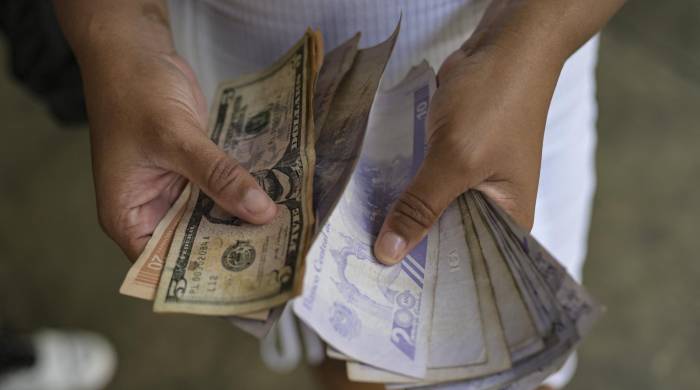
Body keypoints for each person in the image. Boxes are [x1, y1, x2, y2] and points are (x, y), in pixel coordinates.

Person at [52, 0, 625, 389]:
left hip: (508, 77)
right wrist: (121, 52)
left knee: (499, 361)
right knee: (342, 349)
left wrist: (533, 45)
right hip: (244, 64)